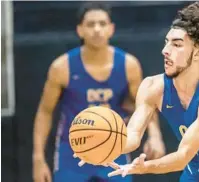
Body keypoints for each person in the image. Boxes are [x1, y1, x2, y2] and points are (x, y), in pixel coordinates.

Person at [76, 2, 199, 182]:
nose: (165, 51)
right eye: (166, 42)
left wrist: (143, 167)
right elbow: (133, 136)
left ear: (198, 53)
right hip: (195, 175)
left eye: (176, 45)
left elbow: (182, 156)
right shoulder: (152, 87)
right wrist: (100, 146)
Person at [32, 2, 165, 182]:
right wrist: (38, 158)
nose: (97, 29)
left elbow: (144, 105)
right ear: (80, 30)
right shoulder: (61, 67)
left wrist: (155, 136)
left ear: (111, 29)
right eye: (90, 24)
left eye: (102, 24)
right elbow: (45, 112)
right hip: (73, 149)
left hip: (114, 145)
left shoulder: (128, 65)